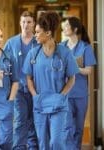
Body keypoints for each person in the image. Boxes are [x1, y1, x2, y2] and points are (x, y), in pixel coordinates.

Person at [22, 11, 79, 149]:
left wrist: (62, 95)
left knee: (56, 142)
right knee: (43, 143)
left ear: (48, 33)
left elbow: (72, 78)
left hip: (58, 105)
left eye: (37, 32)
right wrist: (35, 95)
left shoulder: (64, 53)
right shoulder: (33, 53)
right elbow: (28, 78)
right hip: (40, 105)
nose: (34, 35)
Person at [3, 11, 38, 150]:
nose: (26, 25)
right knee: (19, 121)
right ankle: (19, 147)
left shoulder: (38, 42)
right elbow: (3, 62)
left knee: (35, 121)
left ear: (34, 24)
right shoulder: (11, 43)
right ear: (19, 23)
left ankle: (34, 147)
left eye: (29, 22)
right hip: (18, 90)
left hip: (35, 89)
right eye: (23, 21)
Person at [61, 16, 97, 149]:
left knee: (79, 128)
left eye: (66, 26)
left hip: (81, 94)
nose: (64, 28)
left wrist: (73, 67)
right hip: (65, 93)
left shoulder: (85, 47)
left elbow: (89, 70)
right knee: (67, 127)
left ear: (75, 29)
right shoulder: (61, 47)